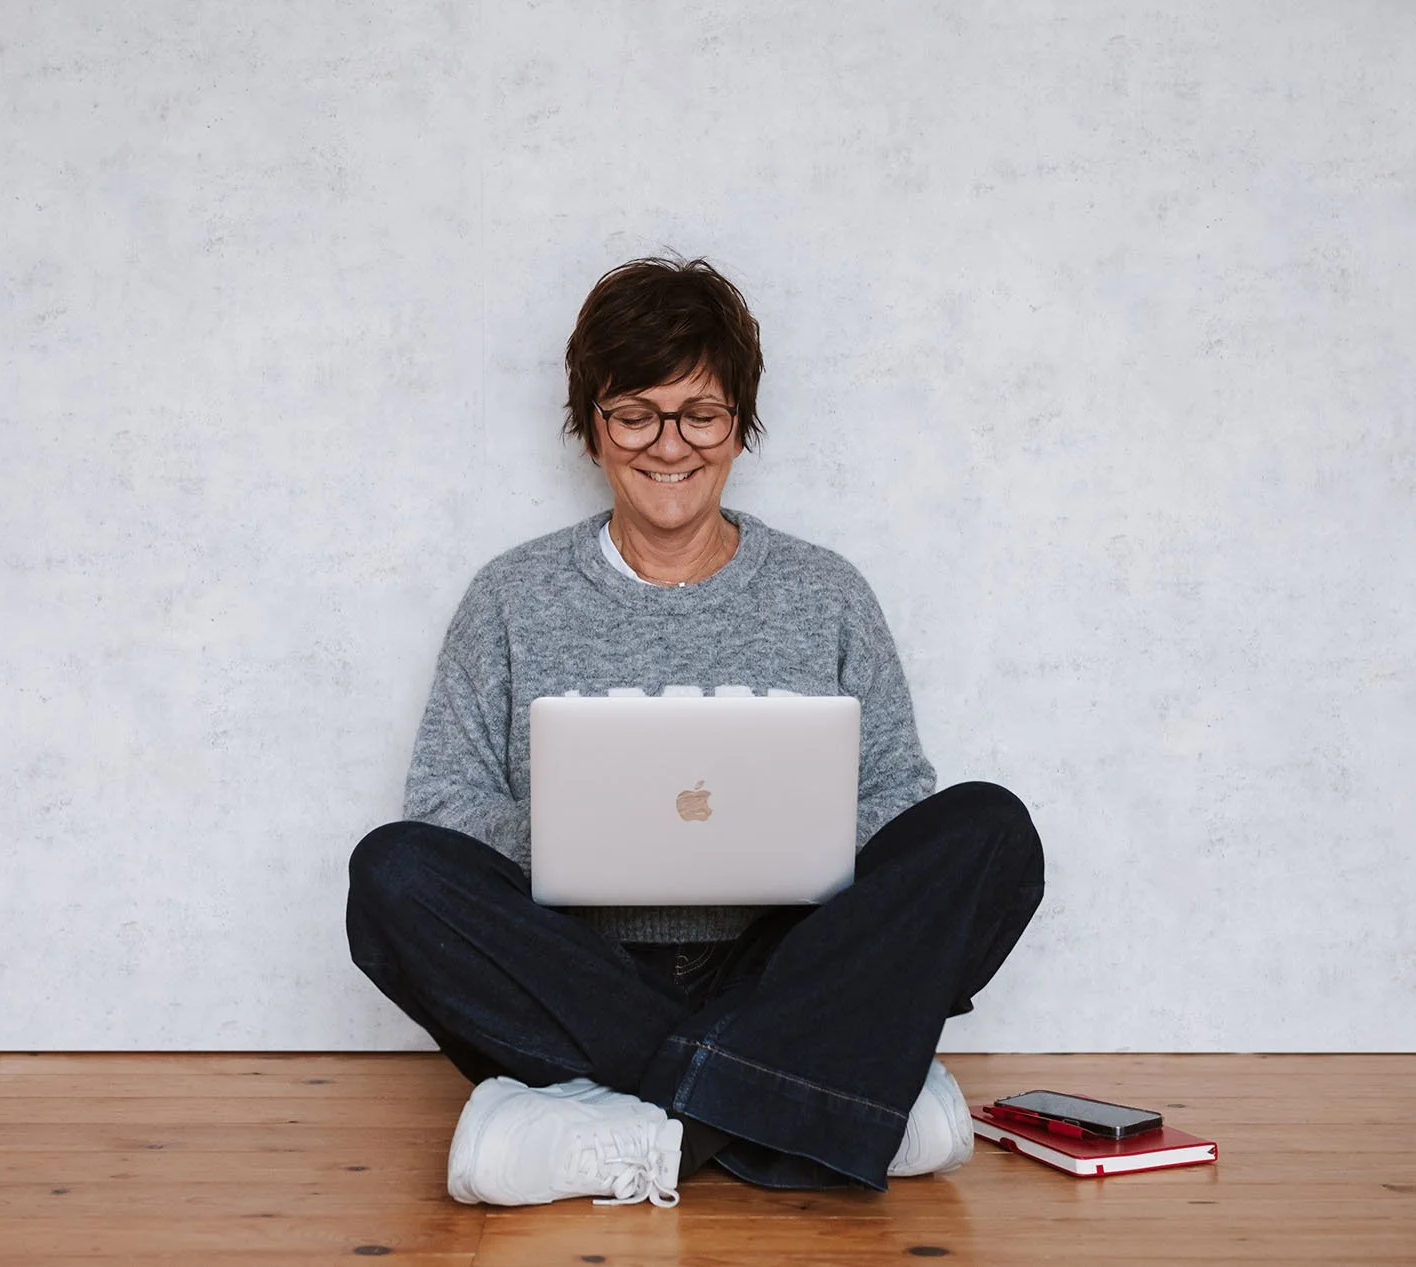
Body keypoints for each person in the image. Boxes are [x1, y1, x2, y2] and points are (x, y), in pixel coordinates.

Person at [347, 257, 1045, 1207]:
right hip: (578, 966)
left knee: (990, 832)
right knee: (390, 875)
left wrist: (786, 842)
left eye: (700, 413)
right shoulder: (509, 596)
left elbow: (898, 801)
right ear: (591, 426)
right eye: (635, 412)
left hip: (785, 963)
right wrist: (578, 838)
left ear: (740, 426)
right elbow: (440, 806)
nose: (668, 444)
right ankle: (820, 1098)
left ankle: (639, 1123)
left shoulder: (825, 591)